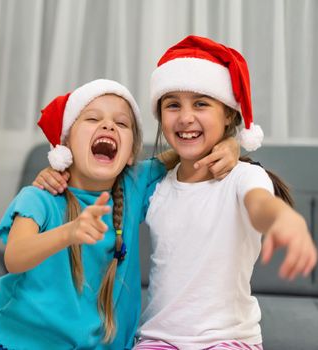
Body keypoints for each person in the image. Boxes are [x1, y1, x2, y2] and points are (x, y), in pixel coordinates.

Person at [133, 35, 317, 350]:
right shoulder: (155, 185)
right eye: (172, 104)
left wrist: (285, 218)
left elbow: (260, 204)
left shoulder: (245, 176)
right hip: (158, 338)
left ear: (229, 114)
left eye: (201, 103)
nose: (185, 117)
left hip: (229, 340)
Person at [0, 79, 168, 349]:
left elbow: (186, 154)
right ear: (65, 145)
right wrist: (69, 232)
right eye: (92, 118)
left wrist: (229, 145)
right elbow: (15, 257)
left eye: (121, 124)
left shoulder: (133, 187)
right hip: (11, 342)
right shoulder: (40, 197)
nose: (109, 125)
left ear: (131, 154)